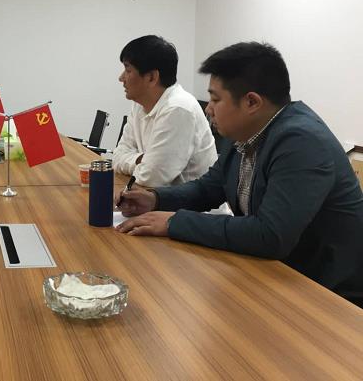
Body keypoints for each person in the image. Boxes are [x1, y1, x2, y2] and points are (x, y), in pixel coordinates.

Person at [116, 42, 363, 306]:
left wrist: (175, 222)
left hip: (329, 295)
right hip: (277, 276)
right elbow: (207, 189)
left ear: (251, 102)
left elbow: (270, 235)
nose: (208, 109)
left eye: (215, 99)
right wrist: (155, 199)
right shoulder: (245, 133)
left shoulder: (301, 141)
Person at [112, 36, 228, 214]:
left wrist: (143, 163)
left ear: (152, 77)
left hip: (196, 216)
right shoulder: (139, 104)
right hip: (159, 206)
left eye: (128, 70)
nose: (121, 78)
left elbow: (151, 177)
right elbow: (118, 155)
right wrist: (140, 160)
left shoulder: (178, 109)